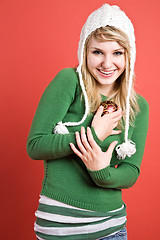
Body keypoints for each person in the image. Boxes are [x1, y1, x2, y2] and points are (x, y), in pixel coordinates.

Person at [27, 3, 149, 240]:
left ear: (129, 55)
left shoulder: (138, 106)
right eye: (97, 52)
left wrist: (101, 171)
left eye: (117, 53)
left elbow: (131, 171)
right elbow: (35, 145)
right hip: (60, 229)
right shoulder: (68, 81)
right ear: (85, 51)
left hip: (112, 229)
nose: (106, 63)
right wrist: (94, 135)